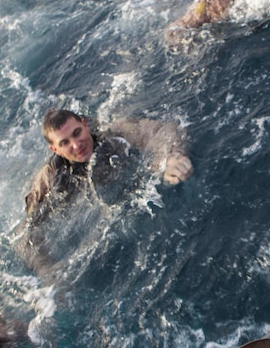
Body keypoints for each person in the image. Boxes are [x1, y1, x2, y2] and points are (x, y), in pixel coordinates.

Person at [17, 109, 193, 271]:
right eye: (65, 143)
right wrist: (46, 270)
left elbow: (165, 131)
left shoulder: (114, 133)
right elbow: (24, 233)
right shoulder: (50, 179)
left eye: (77, 133)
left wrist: (172, 157)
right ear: (55, 149)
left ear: (85, 124)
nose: (77, 145)